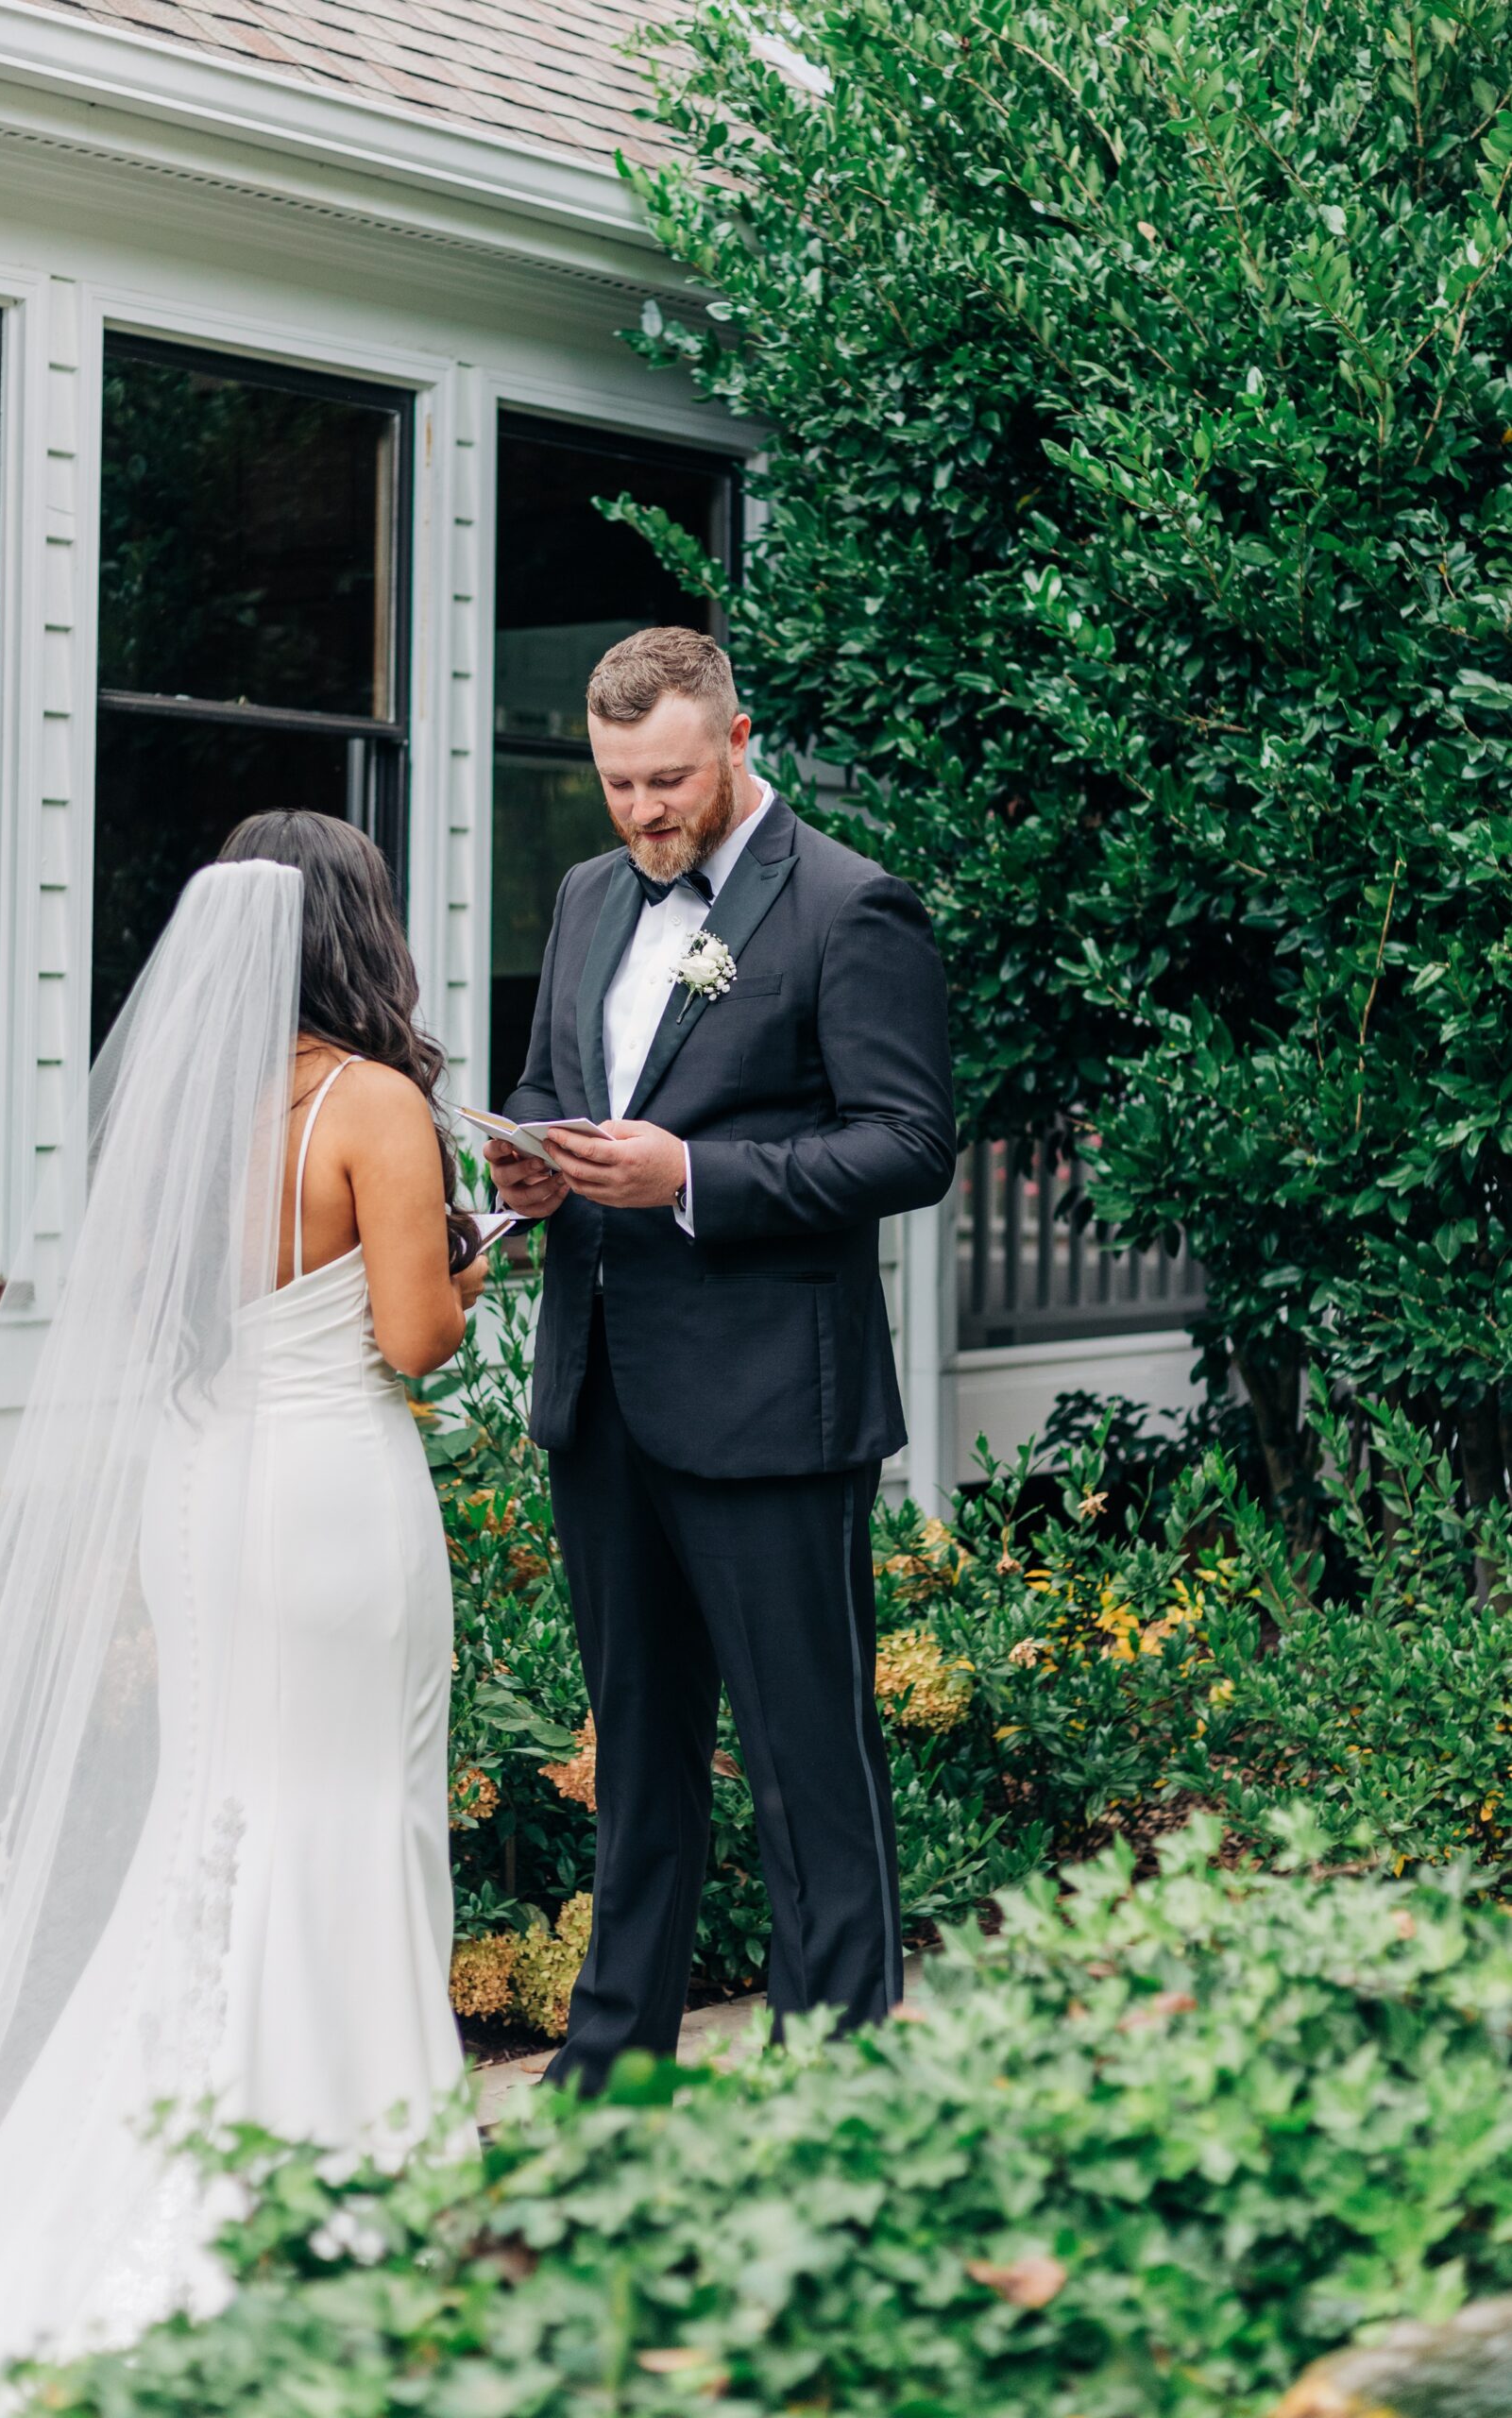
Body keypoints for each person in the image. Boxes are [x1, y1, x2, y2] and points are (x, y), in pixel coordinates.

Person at [0, 813, 484, 2410]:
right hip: (325, 1498)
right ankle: (351, 2175)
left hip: (200, 1490)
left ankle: (167, 2154)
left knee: (214, 1813)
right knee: (341, 1807)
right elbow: (415, 1337)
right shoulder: (373, 1104)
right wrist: (483, 1246)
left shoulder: (187, 1116)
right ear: (356, 931)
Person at [486, 626, 956, 2093]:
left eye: (669, 780)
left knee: (809, 1767)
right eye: (618, 783)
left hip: (772, 1405)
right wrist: (530, 1168)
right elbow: (555, 1085)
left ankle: (839, 2086)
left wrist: (692, 1174)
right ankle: (611, 2071)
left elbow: (907, 1145)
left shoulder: (846, 904)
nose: (642, 813)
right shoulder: (579, 896)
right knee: (635, 1754)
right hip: (602, 1387)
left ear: (740, 740)